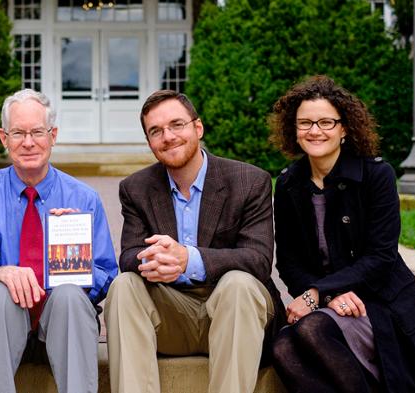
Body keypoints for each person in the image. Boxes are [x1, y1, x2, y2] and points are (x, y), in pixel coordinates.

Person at [104, 90, 286, 393]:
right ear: (149, 142)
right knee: (123, 286)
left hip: (236, 316)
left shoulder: (249, 181)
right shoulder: (136, 188)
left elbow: (258, 259)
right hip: (173, 316)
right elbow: (129, 255)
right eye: (156, 131)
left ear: (197, 128)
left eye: (177, 125)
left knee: (239, 283)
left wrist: (189, 259)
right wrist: (154, 261)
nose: (168, 136)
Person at [269, 75, 415, 392]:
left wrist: (316, 294)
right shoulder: (288, 184)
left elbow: (381, 257)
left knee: (312, 330)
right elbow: (287, 262)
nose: (315, 131)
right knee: (283, 348)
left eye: (326, 122)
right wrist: (328, 294)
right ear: (294, 130)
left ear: (344, 129)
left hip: (384, 304)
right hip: (333, 303)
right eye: (305, 123)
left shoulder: (376, 176)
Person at [0, 88, 118, 393]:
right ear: (4, 138)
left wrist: (73, 254)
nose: (28, 142)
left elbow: (106, 277)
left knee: (70, 294)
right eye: (18, 133)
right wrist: (1, 274)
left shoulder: (83, 198)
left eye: (37, 132)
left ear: (53, 135)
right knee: (2, 291)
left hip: (65, 328)